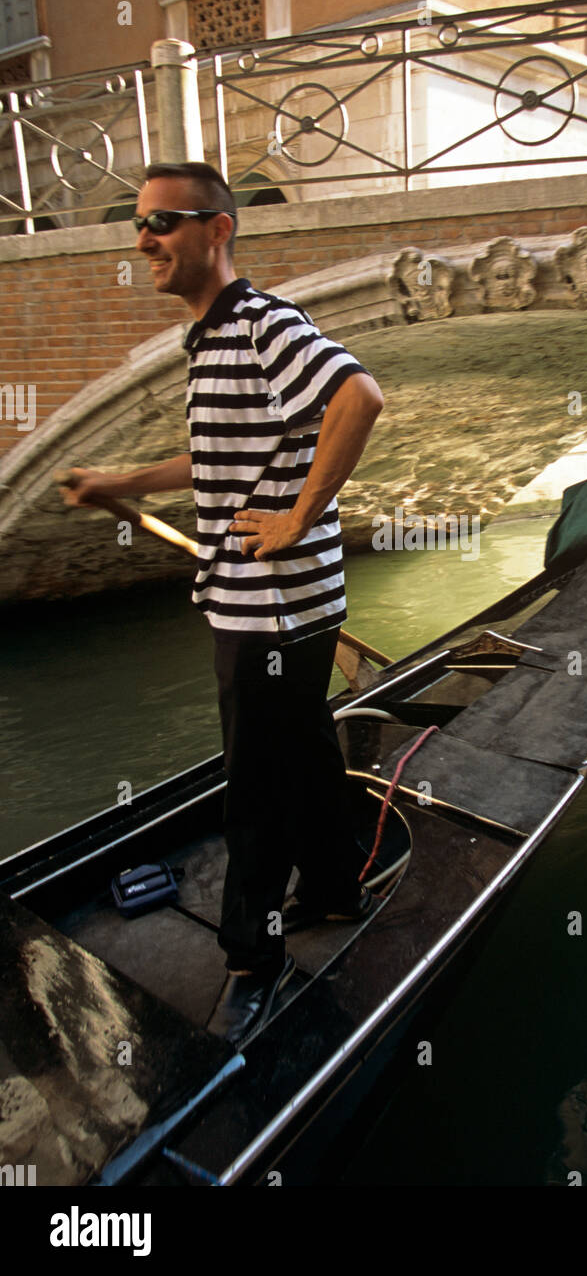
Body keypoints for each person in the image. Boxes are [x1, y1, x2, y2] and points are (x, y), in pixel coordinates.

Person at [61, 161, 384, 1045]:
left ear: (219, 230)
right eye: (141, 224)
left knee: (256, 783)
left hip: (272, 609)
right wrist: (121, 481)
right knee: (306, 750)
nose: (146, 239)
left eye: (165, 221)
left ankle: (252, 957)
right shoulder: (207, 341)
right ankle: (332, 887)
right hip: (281, 603)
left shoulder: (261, 324)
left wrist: (298, 515)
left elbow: (359, 396)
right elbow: (213, 463)